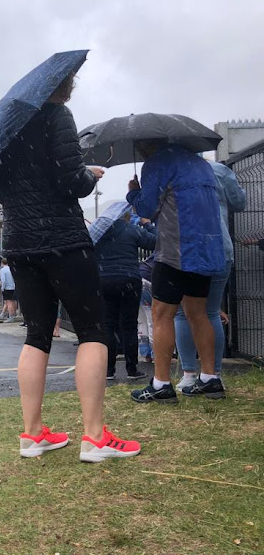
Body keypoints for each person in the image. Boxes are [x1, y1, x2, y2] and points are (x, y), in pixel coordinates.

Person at [0, 72, 140, 462]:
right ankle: (94, 438)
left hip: (18, 243)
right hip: (63, 240)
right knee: (92, 330)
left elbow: (1, 189)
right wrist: (89, 175)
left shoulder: (2, 130)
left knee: (37, 333)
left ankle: (33, 434)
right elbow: (70, 181)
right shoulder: (57, 115)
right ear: (61, 86)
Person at [127, 141, 226, 403]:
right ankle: (210, 378)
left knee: (161, 315)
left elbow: (147, 209)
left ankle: (160, 383)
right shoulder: (201, 165)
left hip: (175, 251)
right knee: (198, 314)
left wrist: (133, 193)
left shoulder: (157, 163)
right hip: (206, 249)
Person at [174, 161, 246, 391]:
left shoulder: (172, 170)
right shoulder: (219, 170)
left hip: (186, 250)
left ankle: (189, 374)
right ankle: (213, 375)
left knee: (183, 314)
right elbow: (239, 203)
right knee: (212, 312)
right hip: (219, 247)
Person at [94, 213, 157, 381]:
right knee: (129, 325)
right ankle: (132, 369)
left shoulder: (98, 233)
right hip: (129, 280)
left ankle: (108, 370)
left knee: (108, 325)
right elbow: (155, 242)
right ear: (127, 217)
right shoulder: (131, 229)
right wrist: (148, 224)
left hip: (104, 280)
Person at [0, 258, 17, 322]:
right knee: (13, 301)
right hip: (13, 287)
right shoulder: (11, 268)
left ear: (2, 263)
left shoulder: (2, 270)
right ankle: (14, 314)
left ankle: (11, 316)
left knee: (9, 302)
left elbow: (3, 280)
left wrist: (2, 288)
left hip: (7, 288)